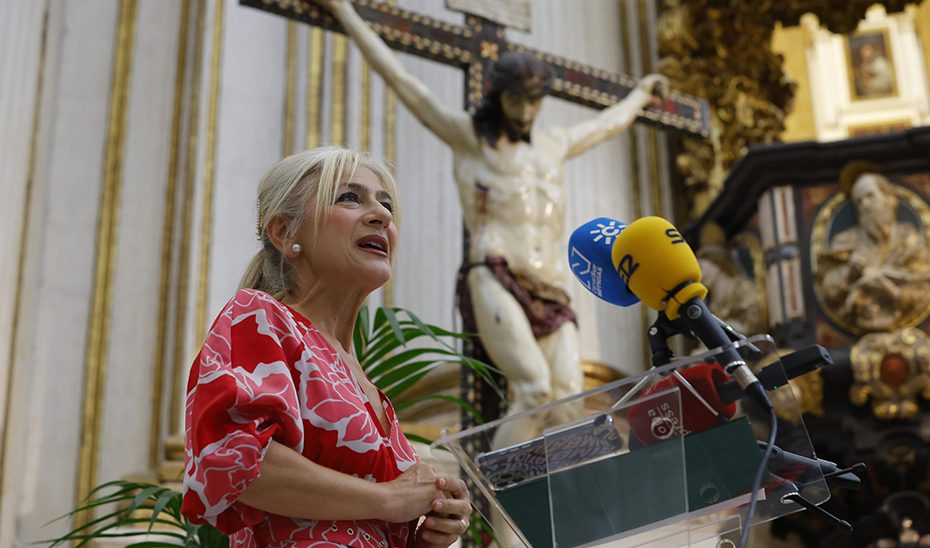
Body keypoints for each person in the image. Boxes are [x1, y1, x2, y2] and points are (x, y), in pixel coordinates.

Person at [320, 0, 668, 449]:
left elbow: (607, 125)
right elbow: (402, 81)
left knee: (566, 403)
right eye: (516, 100)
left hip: (552, 284)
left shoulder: (554, 144)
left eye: (533, 102)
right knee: (533, 389)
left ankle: (545, 512)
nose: (524, 112)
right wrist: (345, 12)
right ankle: (500, 516)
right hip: (495, 272)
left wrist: (641, 94)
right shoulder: (470, 139)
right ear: (497, 95)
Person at [181, 147, 471, 547]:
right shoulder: (261, 317)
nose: (382, 216)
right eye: (349, 197)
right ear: (285, 233)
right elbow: (230, 460)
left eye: (386, 205)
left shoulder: (368, 386)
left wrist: (426, 537)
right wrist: (390, 497)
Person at [816, 162, 930, 333]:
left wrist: (889, 290)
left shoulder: (910, 240)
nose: (865, 205)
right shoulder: (845, 242)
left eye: (870, 196)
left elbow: (923, 288)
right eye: (859, 201)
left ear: (889, 200)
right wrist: (850, 274)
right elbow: (828, 288)